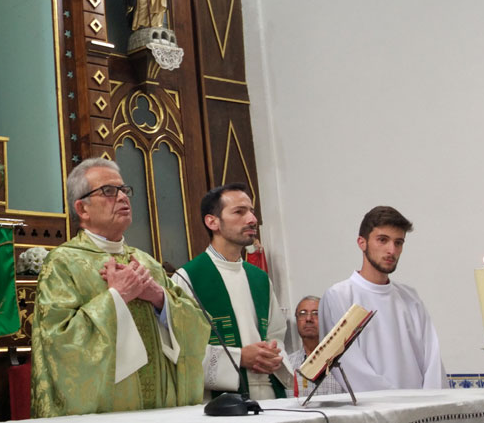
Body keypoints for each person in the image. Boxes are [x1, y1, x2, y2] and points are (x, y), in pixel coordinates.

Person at [30, 158, 209, 417]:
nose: (123, 198)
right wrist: (117, 297)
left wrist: (159, 298)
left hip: (159, 408)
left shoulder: (147, 262)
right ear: (82, 209)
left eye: (125, 190)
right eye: (109, 191)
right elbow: (58, 344)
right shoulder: (62, 263)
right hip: (103, 411)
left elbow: (197, 328)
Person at [173, 183, 292, 401]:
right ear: (212, 222)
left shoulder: (260, 278)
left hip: (270, 397)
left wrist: (272, 354)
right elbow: (182, 350)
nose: (252, 220)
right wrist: (239, 358)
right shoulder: (187, 278)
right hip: (221, 402)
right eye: (239, 212)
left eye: (252, 212)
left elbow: (276, 335)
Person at [319, 205, 447, 391]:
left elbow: (432, 361)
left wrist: (431, 405)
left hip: (421, 411)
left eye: (398, 243)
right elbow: (350, 366)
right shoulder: (339, 296)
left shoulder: (411, 298)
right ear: (362, 243)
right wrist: (396, 407)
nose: (392, 250)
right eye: (382, 240)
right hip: (375, 413)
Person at [287, 295, 344, 397]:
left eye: (316, 313)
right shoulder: (288, 365)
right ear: (296, 319)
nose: (309, 319)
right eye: (303, 313)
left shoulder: (341, 363)